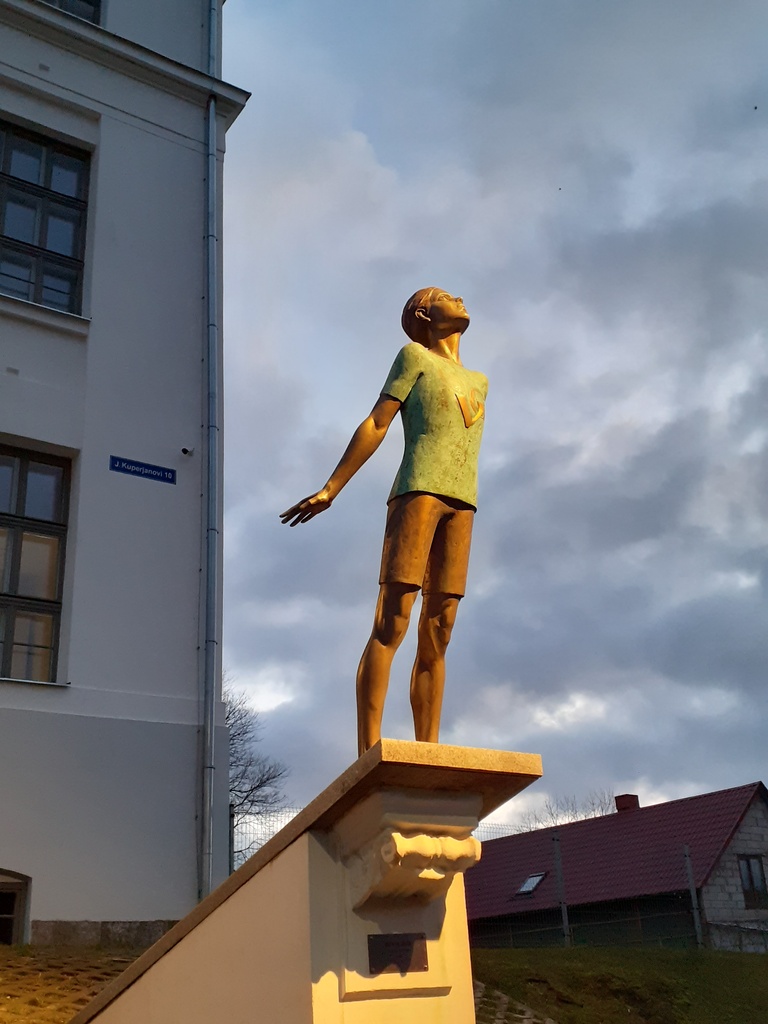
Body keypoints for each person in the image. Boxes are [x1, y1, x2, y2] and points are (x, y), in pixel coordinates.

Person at [280, 288, 488, 755]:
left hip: (463, 505)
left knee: (441, 627)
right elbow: (377, 422)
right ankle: (369, 753)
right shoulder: (413, 356)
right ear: (423, 313)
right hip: (417, 494)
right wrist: (332, 487)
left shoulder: (480, 381)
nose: (457, 298)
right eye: (443, 296)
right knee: (393, 620)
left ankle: (429, 752)